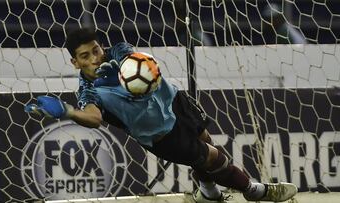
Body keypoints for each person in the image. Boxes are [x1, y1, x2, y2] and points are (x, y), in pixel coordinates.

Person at [25, 28, 297, 203]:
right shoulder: (88, 92)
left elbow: (141, 63)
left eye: (96, 50)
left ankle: (209, 194)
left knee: (207, 143)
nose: (95, 58)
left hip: (173, 100)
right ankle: (255, 191)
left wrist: (122, 69)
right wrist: (67, 111)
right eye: (86, 56)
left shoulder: (118, 51)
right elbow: (94, 118)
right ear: (75, 62)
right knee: (214, 157)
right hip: (160, 133)